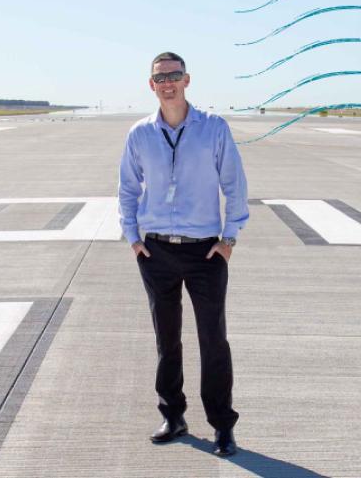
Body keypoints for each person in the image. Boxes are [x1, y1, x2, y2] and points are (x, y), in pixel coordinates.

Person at [118, 51, 249, 458]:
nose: (168, 82)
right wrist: (133, 238)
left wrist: (229, 239)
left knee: (213, 341)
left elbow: (235, 185)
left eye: (175, 75)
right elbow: (127, 188)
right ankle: (173, 416)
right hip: (156, 252)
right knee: (166, 340)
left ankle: (223, 426)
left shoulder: (213, 129)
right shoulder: (140, 134)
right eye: (160, 77)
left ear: (187, 80)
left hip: (205, 253)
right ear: (151, 84)